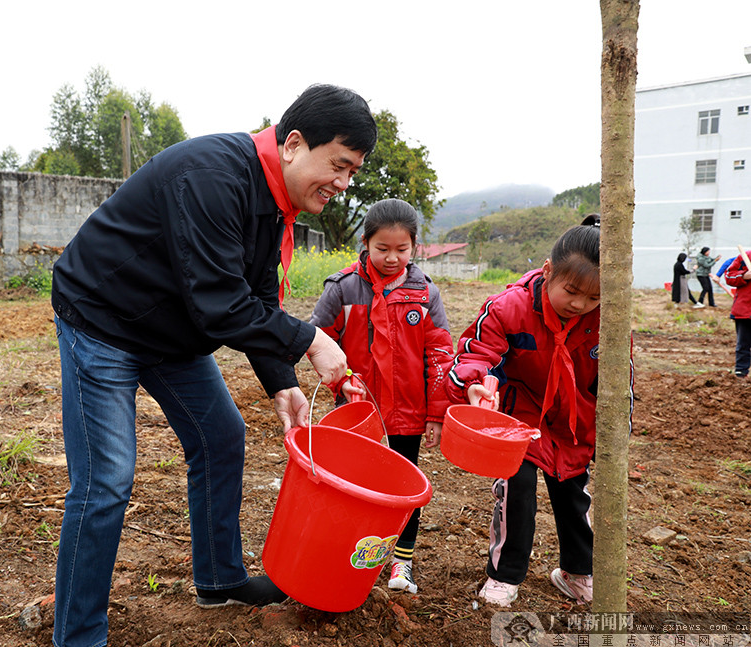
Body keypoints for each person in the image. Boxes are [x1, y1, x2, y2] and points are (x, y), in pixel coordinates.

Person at [50, 84, 378, 647]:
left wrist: (281, 384)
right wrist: (313, 341)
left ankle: (219, 579)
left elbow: (254, 297)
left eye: (353, 173)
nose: (344, 184)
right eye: (340, 166)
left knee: (221, 437)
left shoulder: (274, 203)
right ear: (295, 144)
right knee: (106, 478)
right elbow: (220, 302)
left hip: (170, 331)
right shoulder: (212, 174)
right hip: (103, 319)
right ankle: (78, 636)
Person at [446, 214, 632, 607]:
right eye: (572, 291)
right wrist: (473, 382)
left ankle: (576, 572)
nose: (580, 304)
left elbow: (618, 385)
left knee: (573, 496)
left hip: (573, 421)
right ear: (548, 272)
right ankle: (504, 576)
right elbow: (476, 352)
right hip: (521, 417)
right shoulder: (509, 308)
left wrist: (612, 435)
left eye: (594, 297)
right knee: (519, 490)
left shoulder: (608, 322)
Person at [308, 199, 455, 595]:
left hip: (408, 415)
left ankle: (400, 564)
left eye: (401, 250)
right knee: (355, 488)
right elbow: (317, 339)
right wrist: (342, 383)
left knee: (404, 491)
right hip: (358, 415)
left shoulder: (425, 294)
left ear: (414, 247)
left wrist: (437, 413)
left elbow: (440, 355)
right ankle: (352, 556)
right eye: (382, 249)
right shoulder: (342, 289)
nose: (392, 258)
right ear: (365, 243)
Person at [724, 254, 751, 378]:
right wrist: (744, 275)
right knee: (743, 344)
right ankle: (741, 372)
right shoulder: (745, 257)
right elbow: (729, 276)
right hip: (745, 310)